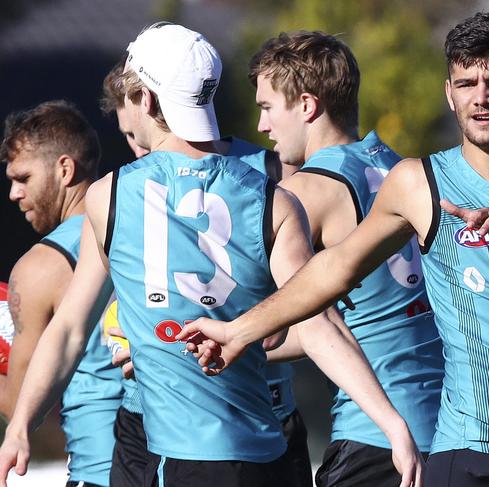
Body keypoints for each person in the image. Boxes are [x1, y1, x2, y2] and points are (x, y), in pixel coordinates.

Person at [177, 11, 489, 487]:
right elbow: (333, 271)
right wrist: (239, 330)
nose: (481, 97)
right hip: (469, 452)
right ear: (449, 92)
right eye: (466, 84)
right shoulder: (416, 182)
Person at [0, 23, 423, 487]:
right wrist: (391, 423)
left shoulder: (111, 196)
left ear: (147, 101)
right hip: (269, 454)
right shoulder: (275, 196)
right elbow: (320, 324)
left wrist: (21, 424)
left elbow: (69, 329)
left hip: (172, 456)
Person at [100, 56, 312, 487]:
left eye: (137, 134)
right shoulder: (121, 191)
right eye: (127, 139)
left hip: (262, 420)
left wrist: (232, 341)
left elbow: (315, 312)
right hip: (153, 426)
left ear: (151, 103)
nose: (139, 152)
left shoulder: (271, 177)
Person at [246, 31, 443, 487]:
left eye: (268, 107)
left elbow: (279, 331)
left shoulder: (305, 193)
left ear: (308, 106)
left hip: (376, 433)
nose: (263, 126)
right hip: (445, 426)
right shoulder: (406, 170)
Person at [0, 101, 123, 487]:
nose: (14, 194)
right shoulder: (147, 225)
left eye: (23, 178)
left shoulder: (41, 267)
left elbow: (21, 407)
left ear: (64, 169)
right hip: (179, 458)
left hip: (102, 465)